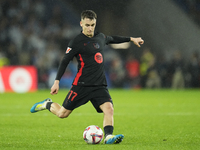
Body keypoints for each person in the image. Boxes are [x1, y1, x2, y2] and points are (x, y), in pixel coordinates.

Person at [30, 10, 144, 144]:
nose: (90, 28)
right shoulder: (76, 42)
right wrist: (56, 82)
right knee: (62, 114)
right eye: (87, 25)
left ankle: (108, 137)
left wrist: (131, 39)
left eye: (92, 25)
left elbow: (113, 39)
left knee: (109, 109)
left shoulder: (100, 37)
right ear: (81, 24)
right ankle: (46, 104)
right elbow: (65, 61)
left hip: (99, 85)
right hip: (81, 85)